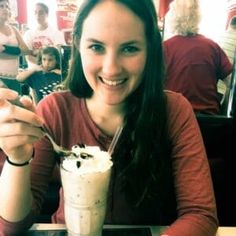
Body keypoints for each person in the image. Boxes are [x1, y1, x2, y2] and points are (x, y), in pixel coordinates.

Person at [0, 0, 218, 235]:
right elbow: (11, 227)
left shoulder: (173, 111)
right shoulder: (55, 110)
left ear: (150, 49)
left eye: (130, 48)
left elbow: (200, 214)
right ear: (77, 44)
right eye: (96, 47)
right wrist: (18, 159)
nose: (111, 68)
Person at [163, 0, 233, 115]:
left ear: (172, 16)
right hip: (210, 121)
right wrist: (223, 111)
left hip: (175, 122)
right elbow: (231, 84)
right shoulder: (212, 46)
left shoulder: (164, 48)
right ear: (197, 16)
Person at [0, 0, 33, 93]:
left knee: (17, 105)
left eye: (7, 6)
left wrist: (5, 48)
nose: (5, 9)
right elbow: (22, 51)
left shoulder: (14, 29)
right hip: (1, 79)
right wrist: (17, 52)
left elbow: (26, 50)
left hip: (15, 78)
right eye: (1, 6)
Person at [23, 2, 65, 69]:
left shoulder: (57, 33)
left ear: (47, 14)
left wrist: (36, 52)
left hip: (52, 73)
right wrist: (44, 65)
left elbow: (58, 55)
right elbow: (28, 56)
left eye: (41, 12)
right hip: (33, 73)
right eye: (35, 12)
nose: (37, 15)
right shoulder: (28, 34)